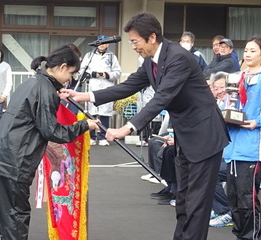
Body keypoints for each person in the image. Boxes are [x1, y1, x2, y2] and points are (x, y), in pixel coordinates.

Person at [60, 12, 230, 240]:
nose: (132, 46)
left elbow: (163, 97)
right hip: (186, 136)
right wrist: (84, 96)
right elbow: (127, 86)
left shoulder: (178, 57)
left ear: (151, 37)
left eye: (134, 41)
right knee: (183, 199)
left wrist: (127, 127)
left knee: (197, 204)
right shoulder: (152, 61)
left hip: (205, 135)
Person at [0, 45, 100, 240]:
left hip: (0, 159)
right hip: (14, 163)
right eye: (70, 73)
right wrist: (84, 125)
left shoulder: (34, 82)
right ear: (62, 67)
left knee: (8, 221)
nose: (70, 80)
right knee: (16, 219)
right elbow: (52, 131)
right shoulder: (45, 90)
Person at [224, 35, 261, 239]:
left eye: (253, 50)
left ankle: (250, 237)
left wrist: (258, 121)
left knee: (247, 199)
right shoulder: (240, 76)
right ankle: (240, 235)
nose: (248, 53)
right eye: (246, 49)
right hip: (234, 145)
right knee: (234, 198)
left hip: (254, 146)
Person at [80, 35, 121, 146]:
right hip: (93, 85)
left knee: (105, 113)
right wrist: (93, 74)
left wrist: (107, 75)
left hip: (106, 85)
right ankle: (92, 136)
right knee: (92, 112)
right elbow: (82, 70)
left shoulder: (112, 57)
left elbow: (118, 72)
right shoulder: (90, 55)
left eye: (105, 43)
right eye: (100, 42)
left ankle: (103, 137)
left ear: (108, 44)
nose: (102, 45)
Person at [208, 72, 233, 227]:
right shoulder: (217, 105)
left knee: (212, 173)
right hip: (221, 154)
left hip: (235, 156)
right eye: (216, 88)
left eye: (222, 87)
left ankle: (226, 211)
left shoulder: (235, 104)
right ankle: (218, 208)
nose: (219, 91)